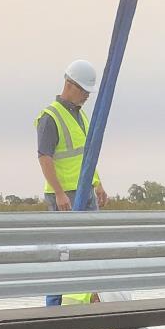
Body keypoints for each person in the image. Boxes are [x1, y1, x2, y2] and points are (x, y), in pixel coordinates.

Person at [37, 59, 108, 305]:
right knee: (62, 254)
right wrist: (58, 193)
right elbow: (44, 157)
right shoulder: (50, 118)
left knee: (91, 251)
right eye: (84, 90)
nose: (87, 95)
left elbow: (85, 155)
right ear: (69, 84)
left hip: (85, 190)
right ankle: (54, 308)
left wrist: (97, 183)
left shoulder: (82, 117)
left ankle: (84, 304)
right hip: (64, 195)